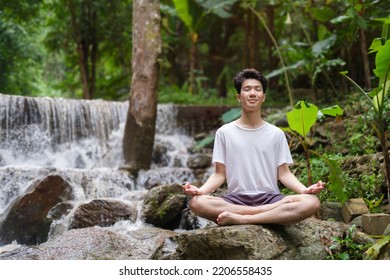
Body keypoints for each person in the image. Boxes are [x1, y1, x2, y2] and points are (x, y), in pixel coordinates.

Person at [182, 68, 325, 226]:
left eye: (257, 89)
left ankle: (244, 219)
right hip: (236, 199)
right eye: (247, 89)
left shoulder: (276, 134)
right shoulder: (224, 132)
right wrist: (201, 191)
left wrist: (305, 191)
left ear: (263, 97)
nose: (252, 93)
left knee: (311, 202)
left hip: (269, 197)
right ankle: (271, 213)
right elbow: (219, 175)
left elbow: (284, 174)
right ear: (239, 97)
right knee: (197, 203)